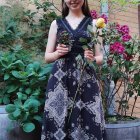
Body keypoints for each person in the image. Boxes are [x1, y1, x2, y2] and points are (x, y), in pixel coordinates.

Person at [41, 0, 106, 139]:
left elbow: (101, 58)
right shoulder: (56, 24)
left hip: (86, 77)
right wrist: (58, 53)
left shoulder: (95, 24)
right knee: (57, 120)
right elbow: (47, 57)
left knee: (89, 118)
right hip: (60, 79)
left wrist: (92, 58)